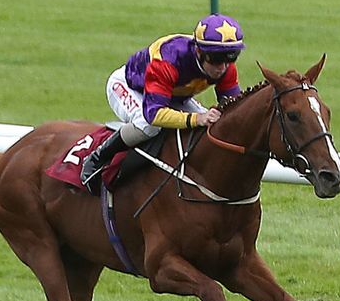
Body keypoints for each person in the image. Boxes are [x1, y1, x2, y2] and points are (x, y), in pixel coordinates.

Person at [80, 13, 246, 194]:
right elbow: (155, 114)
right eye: (215, 59)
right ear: (199, 52)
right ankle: (97, 158)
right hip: (130, 87)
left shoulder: (225, 67)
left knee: (210, 125)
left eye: (230, 58)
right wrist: (196, 118)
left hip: (172, 94)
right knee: (148, 126)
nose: (222, 67)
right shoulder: (169, 60)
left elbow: (233, 106)